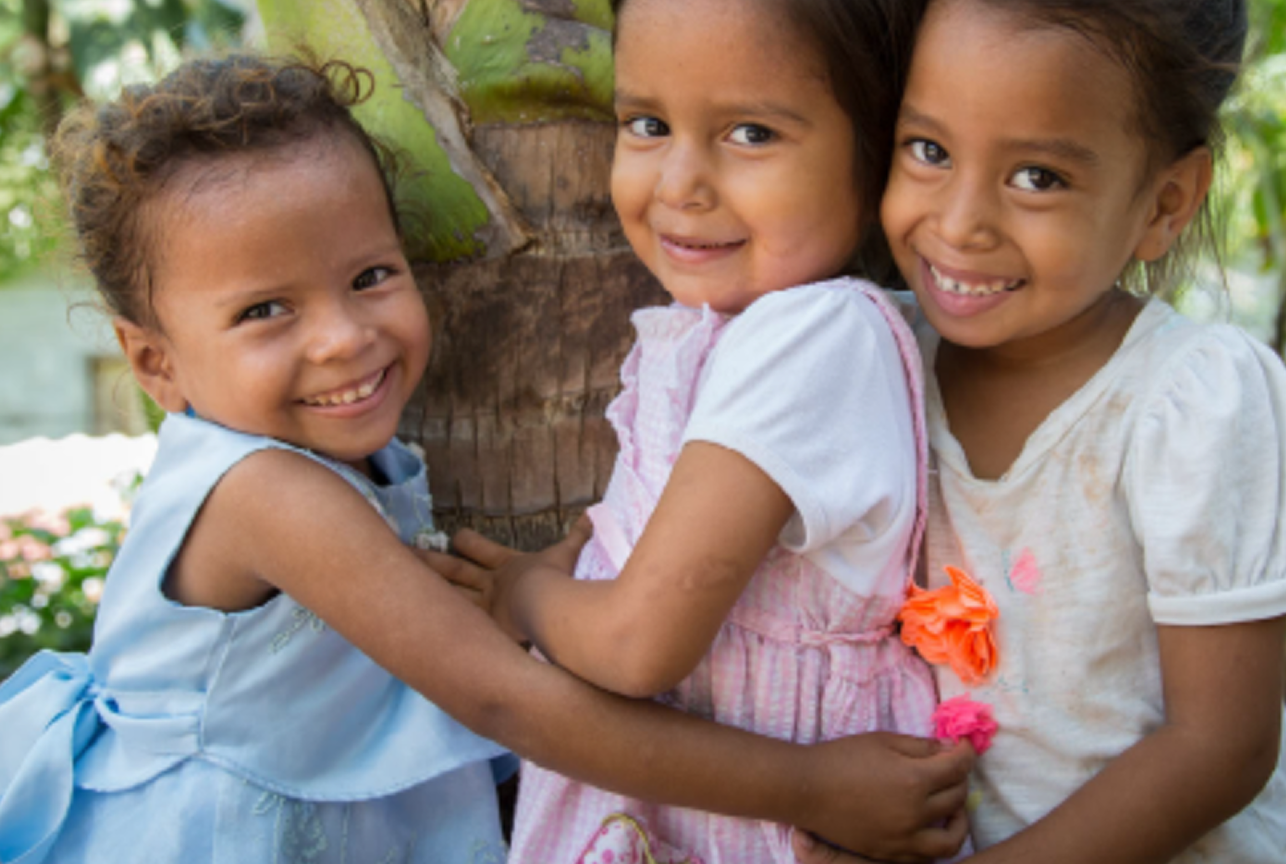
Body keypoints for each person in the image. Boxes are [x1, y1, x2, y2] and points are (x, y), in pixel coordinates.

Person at [0, 54, 975, 864]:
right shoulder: (264, 492)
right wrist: (807, 785)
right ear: (155, 363)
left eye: (371, 277)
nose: (344, 338)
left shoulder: (317, 456)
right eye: (266, 310)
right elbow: (501, 694)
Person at [426, 0, 975, 860]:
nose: (679, 182)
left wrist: (526, 596)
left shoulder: (811, 338)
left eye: (751, 134)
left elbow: (637, 646)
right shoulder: (730, 331)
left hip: (752, 811)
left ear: (878, 157)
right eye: (647, 123)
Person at [794, 1, 1286, 862]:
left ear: (1165, 204)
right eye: (930, 150)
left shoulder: (1187, 401)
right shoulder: (873, 357)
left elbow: (1223, 748)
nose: (959, 223)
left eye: (1038, 178)